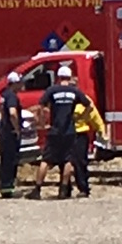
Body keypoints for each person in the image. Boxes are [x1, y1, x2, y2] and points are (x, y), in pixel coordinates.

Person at [26, 64, 91, 200]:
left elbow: (41, 106)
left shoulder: (52, 90)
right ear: (69, 77)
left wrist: (42, 122)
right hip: (69, 131)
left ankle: (37, 190)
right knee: (68, 160)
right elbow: (88, 105)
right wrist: (80, 117)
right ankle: (63, 190)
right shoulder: (75, 91)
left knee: (46, 160)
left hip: (55, 130)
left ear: (58, 77)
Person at [69, 79, 106, 198]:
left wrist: (101, 131)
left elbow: (94, 116)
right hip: (65, 134)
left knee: (80, 162)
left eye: (73, 86)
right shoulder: (62, 101)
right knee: (65, 163)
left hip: (80, 134)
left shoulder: (84, 100)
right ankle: (65, 188)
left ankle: (83, 188)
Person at [0, 71, 25, 198]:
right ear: (14, 83)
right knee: (11, 160)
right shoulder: (12, 96)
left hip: (3, 131)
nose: (22, 85)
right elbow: (12, 113)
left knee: (5, 161)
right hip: (10, 133)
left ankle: (5, 188)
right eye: (20, 82)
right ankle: (8, 188)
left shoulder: (4, 95)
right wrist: (17, 128)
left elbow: (1, 110)